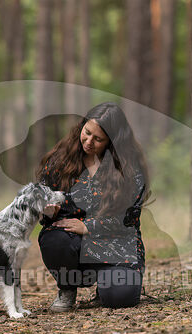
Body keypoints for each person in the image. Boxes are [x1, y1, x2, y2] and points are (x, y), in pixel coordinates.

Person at [36, 102, 150, 311]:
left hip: (116, 244)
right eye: (86, 133)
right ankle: (67, 288)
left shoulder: (129, 168)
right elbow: (41, 195)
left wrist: (89, 226)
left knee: (119, 298)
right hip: (73, 241)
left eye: (98, 139)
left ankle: (110, 286)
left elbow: (128, 219)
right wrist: (47, 210)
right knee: (55, 240)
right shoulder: (60, 159)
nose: (88, 142)